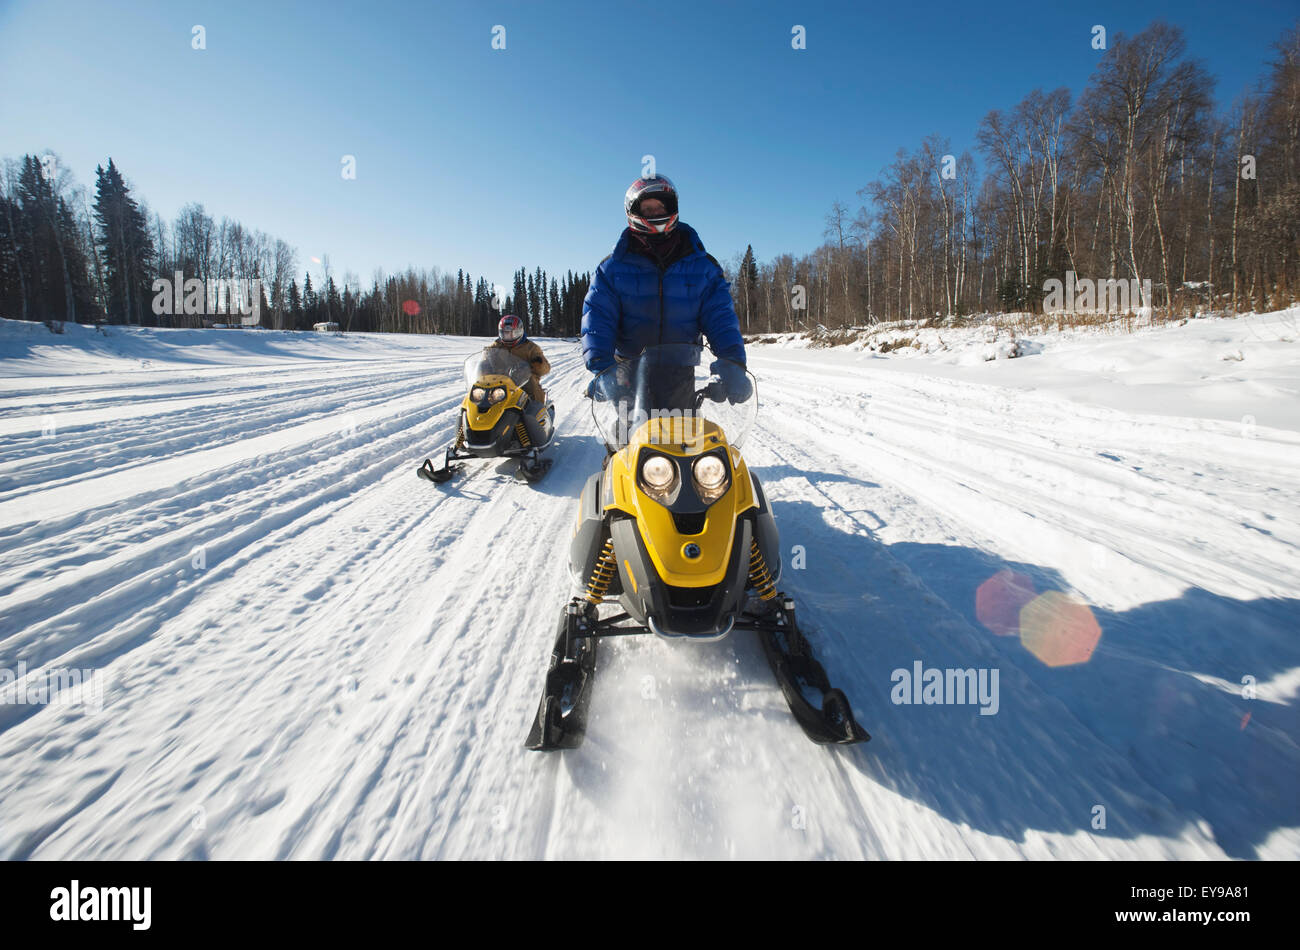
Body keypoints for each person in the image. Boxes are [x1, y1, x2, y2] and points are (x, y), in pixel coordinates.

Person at [581, 175, 750, 410]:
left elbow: (721, 319)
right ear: (634, 212)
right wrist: (602, 368)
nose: (655, 213)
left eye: (660, 206)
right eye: (647, 208)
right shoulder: (612, 268)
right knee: (626, 439)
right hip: (627, 372)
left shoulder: (702, 266)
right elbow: (598, 319)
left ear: (672, 208)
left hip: (679, 372)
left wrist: (733, 364)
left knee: (682, 443)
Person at [491, 314, 550, 403]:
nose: (509, 337)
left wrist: (538, 364)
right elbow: (486, 358)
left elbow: (546, 368)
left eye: (512, 333)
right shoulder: (496, 346)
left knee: (532, 385)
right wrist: (483, 366)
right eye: (505, 333)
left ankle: (537, 411)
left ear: (519, 332)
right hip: (499, 381)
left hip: (523, 382)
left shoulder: (531, 348)